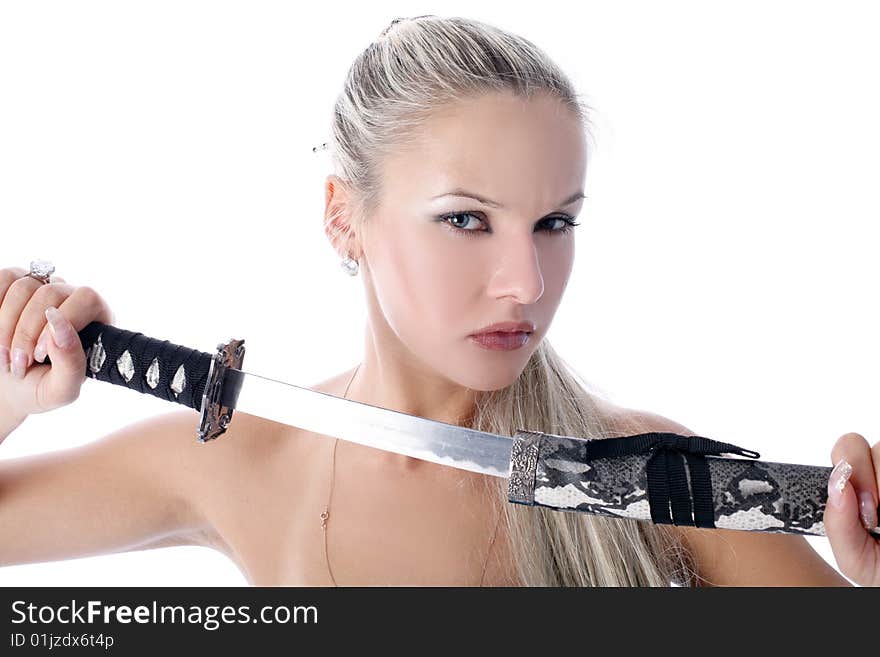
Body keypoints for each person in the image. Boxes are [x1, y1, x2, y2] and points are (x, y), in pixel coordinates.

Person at [0, 15, 876, 587]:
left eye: (554, 222)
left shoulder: (660, 481)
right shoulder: (238, 463)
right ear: (345, 217)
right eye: (466, 219)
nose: (526, 283)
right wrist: (7, 398)